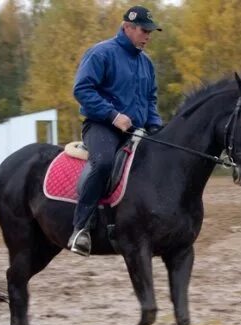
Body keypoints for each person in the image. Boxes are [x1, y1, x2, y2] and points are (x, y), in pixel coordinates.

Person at [68, 5, 164, 256]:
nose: (148, 36)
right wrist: (112, 115)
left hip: (137, 130)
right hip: (101, 126)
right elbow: (82, 90)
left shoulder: (146, 63)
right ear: (127, 27)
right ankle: (81, 228)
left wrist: (156, 127)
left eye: (150, 32)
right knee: (103, 162)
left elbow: (151, 100)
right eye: (144, 30)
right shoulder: (101, 53)